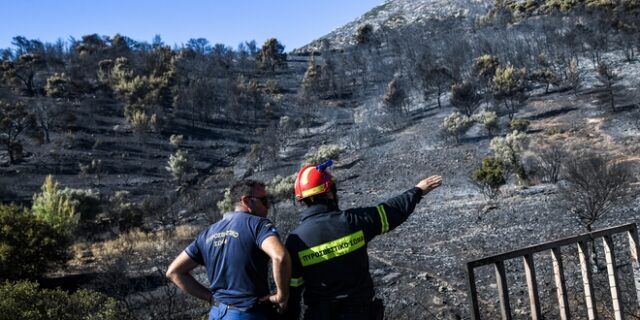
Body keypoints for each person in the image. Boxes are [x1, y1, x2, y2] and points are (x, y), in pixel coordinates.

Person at [283, 161, 442, 320]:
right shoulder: (353, 221)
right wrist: (417, 191)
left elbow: (293, 292)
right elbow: (390, 212)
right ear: (329, 193)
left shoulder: (295, 241)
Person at [166, 180, 291, 320]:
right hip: (248, 313)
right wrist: (282, 296)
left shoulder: (207, 233)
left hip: (217, 313)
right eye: (264, 200)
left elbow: (174, 272)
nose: (268, 205)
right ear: (246, 201)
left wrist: (210, 298)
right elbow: (280, 256)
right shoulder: (258, 225)